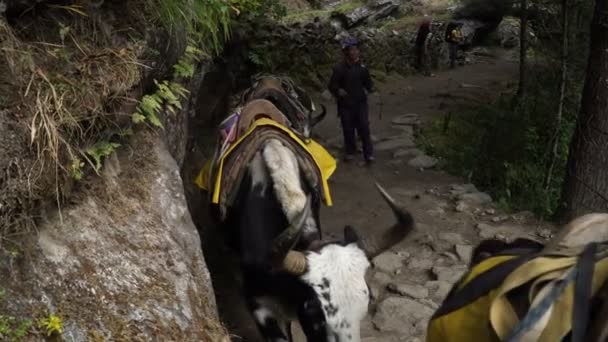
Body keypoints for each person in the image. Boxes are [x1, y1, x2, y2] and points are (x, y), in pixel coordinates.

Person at [328, 37, 375, 165]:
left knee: (364, 127)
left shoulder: (363, 68)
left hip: (360, 103)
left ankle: (369, 154)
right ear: (346, 52)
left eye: (356, 49)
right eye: (351, 50)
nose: (354, 52)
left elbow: (368, 83)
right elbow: (332, 85)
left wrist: (370, 89)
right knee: (348, 128)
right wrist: (338, 91)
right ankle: (350, 151)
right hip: (345, 104)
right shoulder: (339, 69)